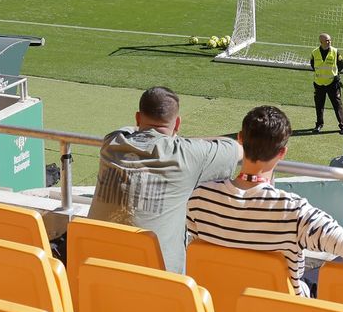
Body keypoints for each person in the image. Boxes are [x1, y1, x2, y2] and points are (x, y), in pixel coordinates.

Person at [185, 105, 343, 295]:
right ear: (282, 153)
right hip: (281, 311)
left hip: (218, 305)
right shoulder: (296, 212)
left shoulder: (198, 198)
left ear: (240, 139)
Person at [89, 86, 242, 274]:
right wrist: (183, 142)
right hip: (156, 278)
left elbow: (130, 130)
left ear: (138, 117)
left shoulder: (112, 141)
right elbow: (236, 148)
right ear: (177, 123)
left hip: (97, 269)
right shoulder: (187, 154)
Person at [310, 33, 343, 134]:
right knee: (319, 106)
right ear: (321, 42)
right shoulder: (314, 52)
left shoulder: (335, 52)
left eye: (330, 40)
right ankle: (319, 125)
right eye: (327, 40)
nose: (329, 42)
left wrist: (335, 74)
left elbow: (341, 65)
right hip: (319, 83)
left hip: (332, 83)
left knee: (337, 105)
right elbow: (313, 65)